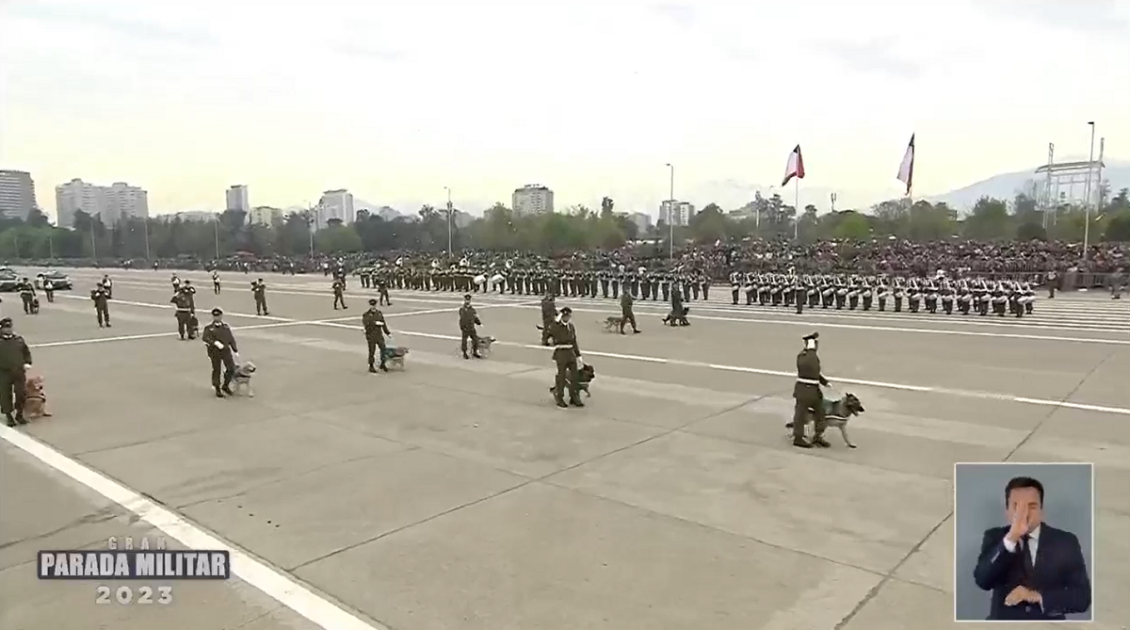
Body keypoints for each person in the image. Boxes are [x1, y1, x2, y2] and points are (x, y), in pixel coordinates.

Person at [973, 476, 1091, 621]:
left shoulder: (1066, 541)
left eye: (1032, 506)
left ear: (1042, 511)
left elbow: (1082, 597)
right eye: (1017, 506)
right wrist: (1012, 538)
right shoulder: (995, 537)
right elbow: (982, 581)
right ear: (1007, 511)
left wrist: (1036, 596)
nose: (1025, 513)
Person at [792, 332, 830, 448]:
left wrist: (825, 382)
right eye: (815, 344)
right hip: (804, 390)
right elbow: (810, 367)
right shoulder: (804, 356)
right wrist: (811, 348)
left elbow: (815, 372)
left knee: (821, 413)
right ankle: (798, 438)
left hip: (814, 390)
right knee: (801, 415)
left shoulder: (811, 356)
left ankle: (818, 435)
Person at [545, 306, 583, 408]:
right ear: (562, 316)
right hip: (561, 353)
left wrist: (578, 355)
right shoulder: (557, 327)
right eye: (565, 316)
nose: (567, 318)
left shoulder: (571, 327)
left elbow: (574, 341)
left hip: (570, 352)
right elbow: (549, 332)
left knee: (575, 376)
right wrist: (556, 321)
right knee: (562, 376)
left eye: (569, 316)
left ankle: (574, 396)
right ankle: (559, 396)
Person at [0, 317, 32, 426]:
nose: (8, 330)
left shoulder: (18, 339)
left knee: (21, 393)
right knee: (5, 395)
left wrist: (28, 362)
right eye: (6, 328)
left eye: (10, 327)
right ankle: (9, 416)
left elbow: (26, 352)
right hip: (3, 372)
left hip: (18, 371)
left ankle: (19, 414)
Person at [201, 308, 238, 398]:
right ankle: (217, 387)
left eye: (218, 316)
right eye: (215, 316)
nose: (217, 318)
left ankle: (225, 385)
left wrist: (235, 349)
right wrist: (215, 343)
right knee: (216, 369)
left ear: (221, 316)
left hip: (225, 350)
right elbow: (205, 338)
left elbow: (230, 338)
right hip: (215, 351)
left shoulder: (225, 327)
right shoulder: (209, 328)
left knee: (231, 368)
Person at [362, 298, 391, 373]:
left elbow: (383, 323)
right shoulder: (366, 314)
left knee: (383, 349)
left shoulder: (379, 313)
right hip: (371, 335)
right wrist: (375, 323)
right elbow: (366, 323)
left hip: (379, 334)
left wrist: (387, 333)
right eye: (372, 305)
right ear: (370, 306)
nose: (373, 307)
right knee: (372, 351)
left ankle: (383, 363)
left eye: (374, 305)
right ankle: (371, 365)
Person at [458, 294, 482, 359]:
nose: (467, 301)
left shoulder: (472, 310)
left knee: (475, 339)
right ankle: (464, 352)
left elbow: (475, 317)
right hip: (465, 328)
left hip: (471, 327)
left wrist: (479, 323)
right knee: (464, 341)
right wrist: (462, 327)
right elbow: (462, 319)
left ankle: (475, 351)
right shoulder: (462, 309)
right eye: (466, 300)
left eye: (469, 300)